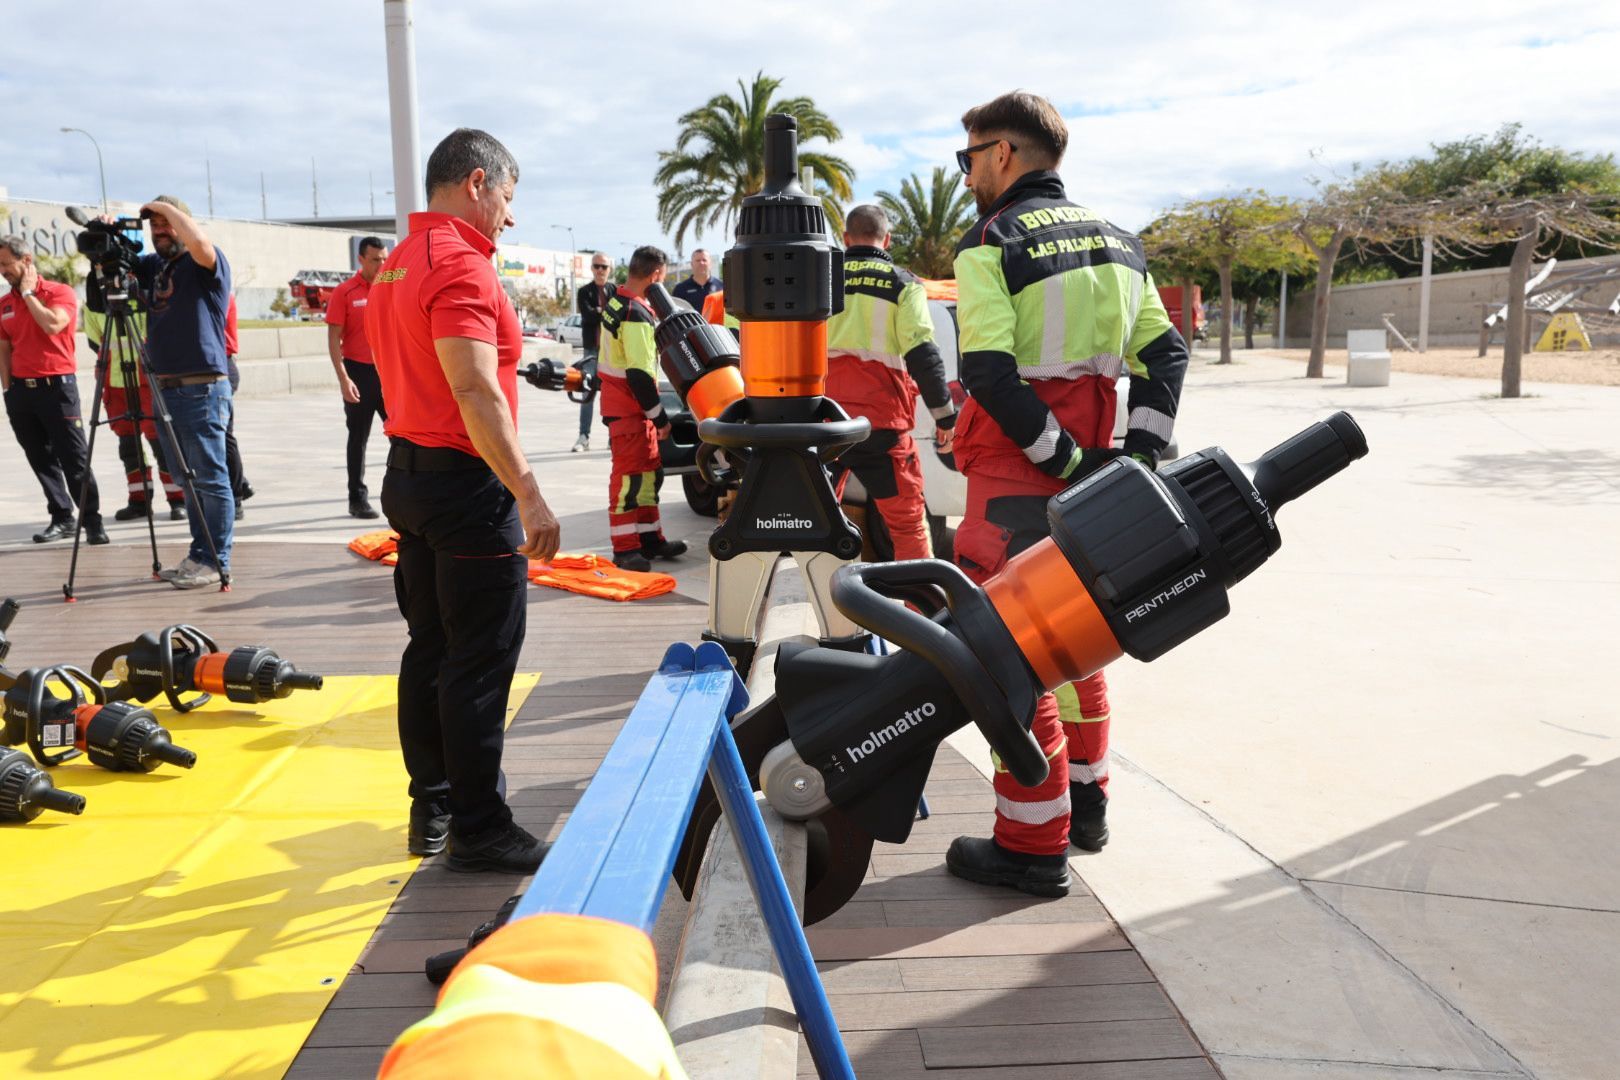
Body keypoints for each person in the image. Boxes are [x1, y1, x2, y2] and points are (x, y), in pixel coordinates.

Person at [944, 91, 1188, 895]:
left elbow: (987, 370)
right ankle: (1088, 806)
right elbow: (1167, 355)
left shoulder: (991, 243)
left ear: (1003, 155)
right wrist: (1135, 460)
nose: (968, 173)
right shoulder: (1123, 245)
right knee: (1077, 643)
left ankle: (1031, 839)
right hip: (1095, 483)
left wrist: (1062, 459)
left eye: (968, 157)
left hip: (1017, 481)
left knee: (1008, 658)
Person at [370, 128, 561, 873]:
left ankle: (436, 803)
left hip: (409, 477)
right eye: (508, 198)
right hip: (463, 480)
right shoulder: (460, 266)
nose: (510, 218)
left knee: (432, 646)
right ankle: (480, 826)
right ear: (477, 182)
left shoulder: (396, 263)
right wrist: (531, 494)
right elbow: (475, 387)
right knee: (479, 658)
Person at [89, 195, 236, 589]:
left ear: (184, 223)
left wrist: (166, 209)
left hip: (201, 388)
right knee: (185, 479)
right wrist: (107, 233)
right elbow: (114, 271)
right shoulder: (156, 266)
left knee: (209, 478)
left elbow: (200, 245)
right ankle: (198, 555)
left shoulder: (206, 260)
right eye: (154, 227)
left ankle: (216, 560)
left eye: (167, 225)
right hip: (165, 387)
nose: (160, 233)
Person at [824, 204, 956, 561]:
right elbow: (922, 352)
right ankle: (922, 608)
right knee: (908, 526)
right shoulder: (903, 283)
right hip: (883, 425)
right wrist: (944, 416)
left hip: (823, 423)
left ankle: (830, 604)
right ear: (888, 239)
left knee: (817, 522)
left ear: (846, 238)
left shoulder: (821, 278)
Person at [0, 235, 107, 545]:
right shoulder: (5, 304)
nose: (3, 271)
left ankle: (92, 521)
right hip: (21, 393)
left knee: (74, 458)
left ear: (27, 260)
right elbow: (4, 349)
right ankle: (62, 516)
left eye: (7, 264)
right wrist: (8, 391)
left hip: (57, 389)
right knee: (39, 457)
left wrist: (30, 293)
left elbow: (53, 325)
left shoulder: (59, 292)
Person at [597, 246, 686, 573]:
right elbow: (638, 372)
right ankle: (625, 548)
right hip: (630, 409)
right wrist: (659, 417)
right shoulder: (636, 312)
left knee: (648, 476)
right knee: (629, 480)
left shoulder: (616, 301)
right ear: (656, 276)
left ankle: (650, 540)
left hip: (626, 407)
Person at [82, 301, 187, 523]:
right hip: (115, 382)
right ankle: (139, 500)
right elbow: (95, 342)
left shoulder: (144, 296)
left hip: (149, 381)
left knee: (161, 443)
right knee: (129, 447)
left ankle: (178, 499)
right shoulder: (94, 304)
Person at [326, 236, 389, 517]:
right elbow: (333, 338)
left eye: (385, 258)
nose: (382, 264)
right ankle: (357, 498)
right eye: (376, 259)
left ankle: (407, 491)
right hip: (358, 373)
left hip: (389, 373)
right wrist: (343, 379)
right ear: (361, 259)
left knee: (403, 436)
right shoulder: (345, 292)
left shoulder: (392, 286)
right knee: (358, 438)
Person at [572, 253, 615, 452]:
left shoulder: (615, 291)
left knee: (612, 394)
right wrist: (602, 312)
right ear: (591, 268)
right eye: (596, 266)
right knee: (587, 391)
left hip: (612, 351)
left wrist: (600, 311)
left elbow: (616, 317)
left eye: (604, 267)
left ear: (609, 270)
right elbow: (588, 316)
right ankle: (583, 436)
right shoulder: (584, 292)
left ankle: (613, 438)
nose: (600, 270)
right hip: (591, 351)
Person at [223, 295, 253, 520]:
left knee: (223, 436)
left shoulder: (218, 290)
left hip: (222, 364)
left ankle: (236, 495)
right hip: (216, 364)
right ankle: (240, 484)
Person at [671, 247, 722, 312]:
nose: (701, 263)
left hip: (715, 322)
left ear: (710, 264)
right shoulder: (680, 289)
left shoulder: (721, 286)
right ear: (692, 264)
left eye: (704, 260)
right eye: (698, 260)